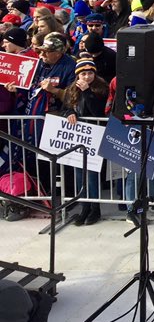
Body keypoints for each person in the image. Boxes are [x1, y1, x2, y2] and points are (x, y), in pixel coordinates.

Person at [52, 57, 107, 226]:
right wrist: (69, 112)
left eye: (90, 73)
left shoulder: (100, 88)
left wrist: (88, 92)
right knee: (79, 175)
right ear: (78, 75)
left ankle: (94, 209)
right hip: (78, 137)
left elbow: (97, 112)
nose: (87, 77)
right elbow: (65, 108)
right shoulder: (71, 89)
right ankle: (84, 207)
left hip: (93, 136)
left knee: (91, 176)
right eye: (83, 73)